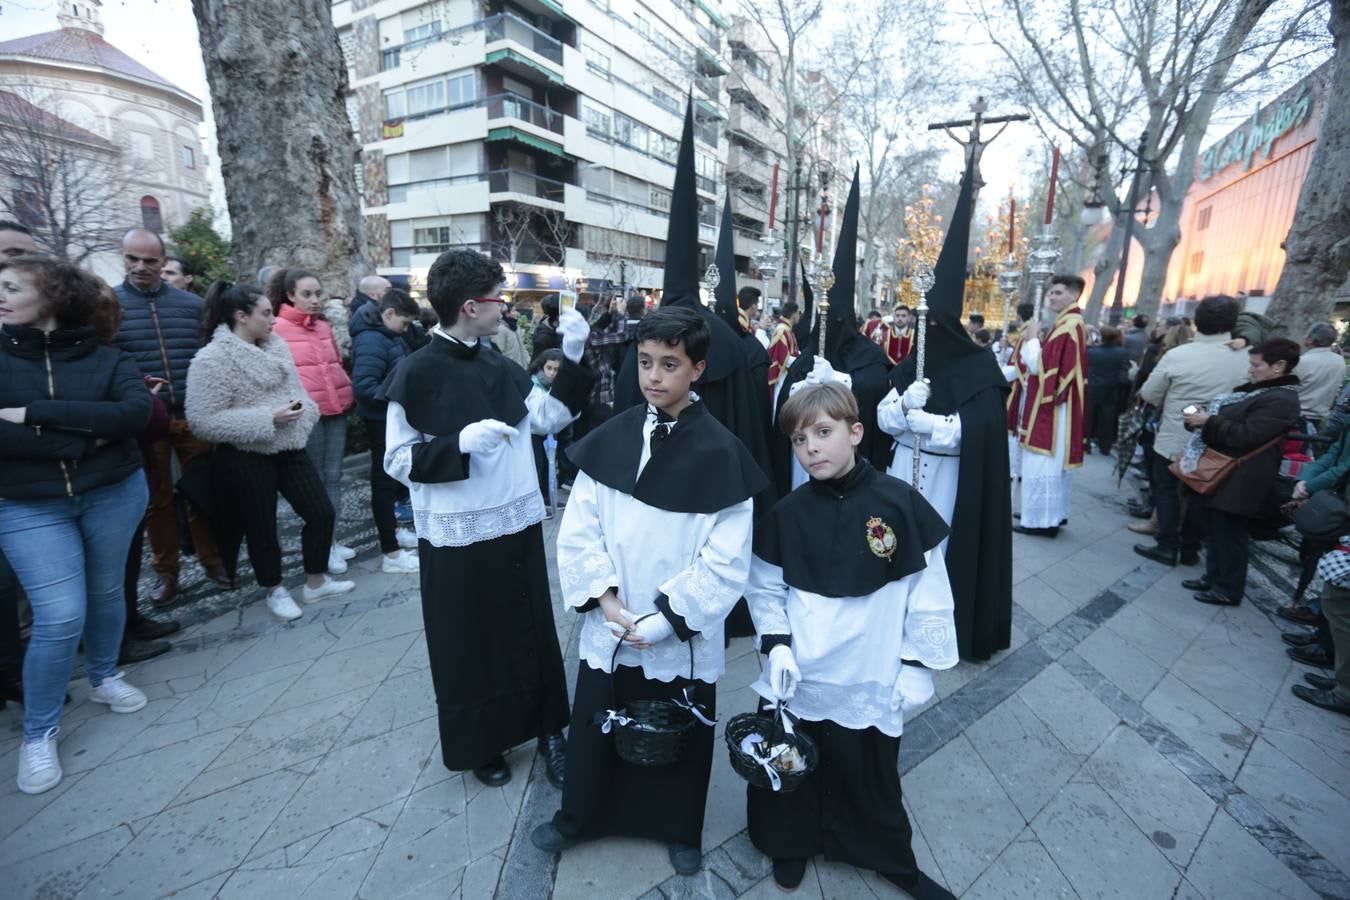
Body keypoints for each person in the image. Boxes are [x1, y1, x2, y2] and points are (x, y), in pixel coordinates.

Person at [531, 307, 764, 875]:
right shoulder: (612, 437)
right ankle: (581, 817)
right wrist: (609, 604)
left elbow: (726, 558)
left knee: (678, 731)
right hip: (613, 620)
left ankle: (678, 827)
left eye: (669, 364)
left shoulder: (722, 452)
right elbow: (580, 527)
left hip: (674, 630)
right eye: (644, 363)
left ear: (698, 369)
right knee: (596, 724)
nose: (654, 376)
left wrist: (663, 620)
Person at [381, 248, 595, 789]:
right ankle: (483, 742)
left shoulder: (498, 363)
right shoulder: (414, 372)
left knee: (530, 631)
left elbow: (548, 419)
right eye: (498, 299)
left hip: (515, 520)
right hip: (456, 532)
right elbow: (396, 461)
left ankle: (550, 730)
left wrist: (572, 354)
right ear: (471, 307)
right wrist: (457, 444)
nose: (506, 308)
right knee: (468, 640)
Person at [744, 382, 956, 898]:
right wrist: (777, 646)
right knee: (793, 756)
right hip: (805, 665)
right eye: (798, 440)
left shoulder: (899, 503)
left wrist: (913, 663)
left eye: (823, 432)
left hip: (870, 659)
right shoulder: (787, 513)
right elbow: (766, 587)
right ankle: (790, 841)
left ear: (855, 432)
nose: (811, 448)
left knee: (870, 767)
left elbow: (926, 587)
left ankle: (886, 856)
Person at [0, 255, 153, 795]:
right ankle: (39, 732)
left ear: (52, 299)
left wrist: (35, 413)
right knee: (61, 614)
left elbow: (136, 417)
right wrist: (88, 434)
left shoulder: (109, 359)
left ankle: (104, 675)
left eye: (12, 287)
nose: (2, 294)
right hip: (28, 505)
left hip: (113, 493)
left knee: (108, 591)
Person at [881, 160, 1013, 661]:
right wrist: (899, 410)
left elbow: (981, 428)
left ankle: (936, 631)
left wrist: (936, 425)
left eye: (933, 327)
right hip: (901, 470)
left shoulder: (978, 367)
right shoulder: (911, 363)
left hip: (947, 479)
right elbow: (879, 419)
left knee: (936, 552)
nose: (924, 337)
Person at [186, 281, 355, 621]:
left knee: (321, 511)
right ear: (241, 316)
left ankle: (315, 581)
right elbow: (202, 421)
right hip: (246, 452)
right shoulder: (211, 359)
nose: (272, 320)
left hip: (290, 445)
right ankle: (274, 588)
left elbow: (298, 391)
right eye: (265, 313)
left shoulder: (276, 346)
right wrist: (267, 418)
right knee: (261, 526)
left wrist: (303, 412)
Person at [114, 227, 230, 607]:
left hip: (194, 415)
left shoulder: (190, 305)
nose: (141, 267)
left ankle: (215, 561)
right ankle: (167, 573)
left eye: (150, 260)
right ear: (124, 258)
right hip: (146, 423)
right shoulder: (110, 306)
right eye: (133, 259)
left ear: (164, 262)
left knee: (203, 492)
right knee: (155, 502)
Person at [1178, 339, 1302, 606]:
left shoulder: (1282, 399)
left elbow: (1247, 435)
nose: (1250, 370)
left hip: (1244, 477)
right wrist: (1205, 418)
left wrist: (1208, 420)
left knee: (1230, 533)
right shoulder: (1261, 392)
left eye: (1256, 365)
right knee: (1215, 529)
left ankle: (1228, 588)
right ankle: (1213, 577)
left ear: (1279, 366)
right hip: (1228, 472)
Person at [1134, 296, 1249, 566]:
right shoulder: (1246, 358)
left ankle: (1167, 545)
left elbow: (1150, 393)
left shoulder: (1179, 354)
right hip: (1219, 440)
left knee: (1166, 491)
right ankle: (1190, 549)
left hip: (1176, 436)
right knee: (1200, 495)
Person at [268, 268, 356, 576]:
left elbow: (335, 365)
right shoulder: (275, 328)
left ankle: (332, 540)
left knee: (334, 476)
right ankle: (324, 545)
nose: (315, 300)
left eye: (318, 293)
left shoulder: (324, 327)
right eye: (307, 294)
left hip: (335, 408)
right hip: (306, 413)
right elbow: (276, 379)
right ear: (290, 295)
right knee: (316, 481)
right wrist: (295, 408)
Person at [1011, 275, 1089, 538]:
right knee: (1051, 467)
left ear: (1075, 294)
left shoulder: (1068, 326)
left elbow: (1040, 368)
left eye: (1057, 292)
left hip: (1051, 409)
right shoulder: (1068, 323)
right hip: (1057, 407)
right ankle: (1047, 514)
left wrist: (1032, 339)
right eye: (1050, 293)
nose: (1051, 297)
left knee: (1042, 463)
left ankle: (1041, 521)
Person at [351, 288, 421, 573]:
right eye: (404, 323)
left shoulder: (387, 336)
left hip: (388, 417)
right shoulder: (372, 339)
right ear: (389, 313)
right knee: (384, 483)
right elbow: (365, 386)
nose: (406, 330)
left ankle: (393, 535)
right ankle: (390, 553)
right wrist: (399, 397)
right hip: (381, 420)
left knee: (391, 484)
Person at [527, 348, 566, 503]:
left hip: (548, 432)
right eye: (549, 368)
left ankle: (546, 496)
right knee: (537, 465)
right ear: (542, 366)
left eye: (556, 369)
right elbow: (536, 417)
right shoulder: (535, 385)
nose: (552, 373)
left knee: (548, 465)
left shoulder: (553, 385)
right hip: (534, 433)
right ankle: (537, 499)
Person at [1085, 326, 1129, 455]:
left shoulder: (1091, 352)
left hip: (1092, 387)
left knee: (1088, 419)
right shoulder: (1122, 352)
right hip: (1110, 389)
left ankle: (1085, 444)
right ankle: (1105, 446)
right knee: (1107, 420)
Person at [1296, 322, 1345, 432]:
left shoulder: (1303, 361)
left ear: (1311, 339)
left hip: (1295, 418)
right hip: (1316, 420)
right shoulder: (1339, 361)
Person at [767, 301, 801, 389]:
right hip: (782, 375)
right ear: (793, 315)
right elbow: (781, 356)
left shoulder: (787, 329)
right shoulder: (782, 330)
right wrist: (801, 361)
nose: (799, 316)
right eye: (798, 313)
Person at [493, 299, 530, 368]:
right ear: (506, 313)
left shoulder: (516, 327)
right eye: (514, 311)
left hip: (522, 366)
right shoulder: (500, 329)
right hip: (509, 368)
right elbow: (499, 352)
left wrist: (528, 361)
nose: (517, 313)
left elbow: (522, 346)